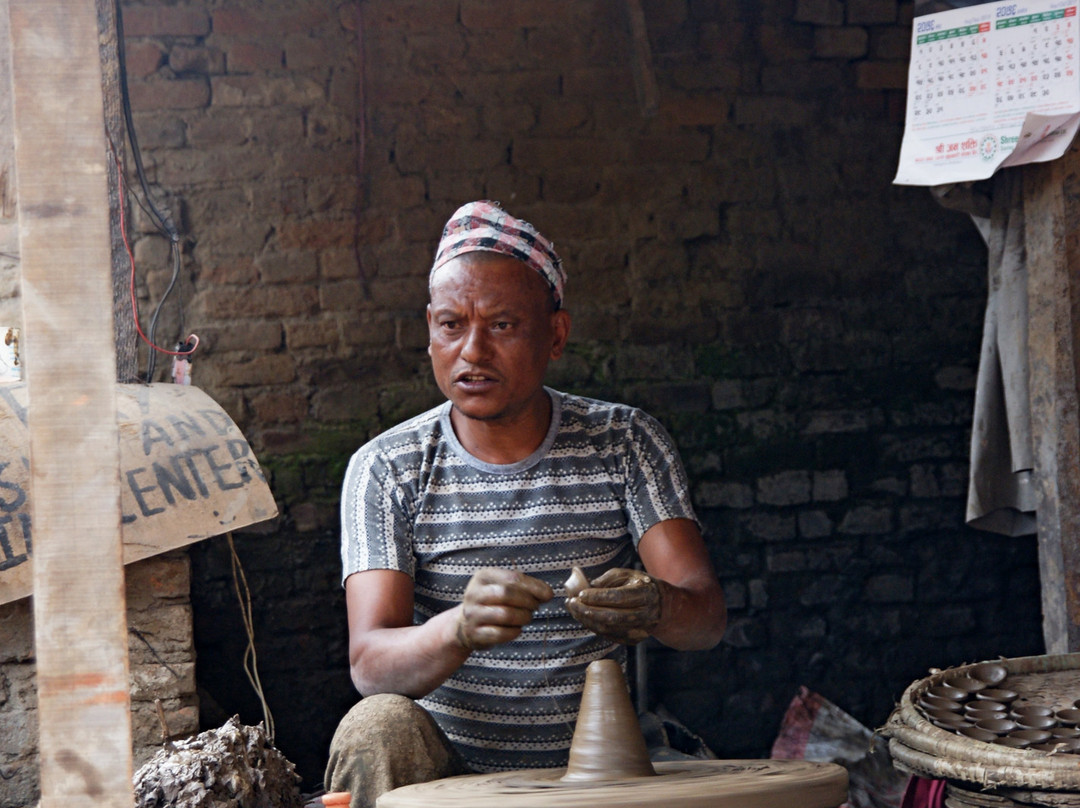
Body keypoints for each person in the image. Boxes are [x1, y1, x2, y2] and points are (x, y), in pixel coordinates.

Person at [325, 201, 727, 807]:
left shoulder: (623, 443)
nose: (473, 352)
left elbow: (706, 620)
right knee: (375, 727)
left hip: (600, 763)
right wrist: (457, 629)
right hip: (450, 769)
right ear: (428, 328)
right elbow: (370, 663)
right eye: (451, 325)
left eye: (504, 325)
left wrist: (654, 602)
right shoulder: (388, 467)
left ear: (556, 335)